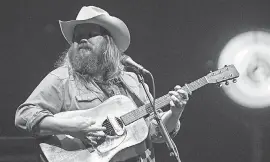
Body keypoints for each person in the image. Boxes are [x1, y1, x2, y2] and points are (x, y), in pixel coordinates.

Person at [15, 6, 189, 162]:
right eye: (78, 37)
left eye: (90, 35)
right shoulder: (62, 78)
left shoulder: (134, 81)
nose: (82, 40)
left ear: (108, 43)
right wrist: (74, 128)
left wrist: (174, 113)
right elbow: (24, 115)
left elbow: (154, 133)